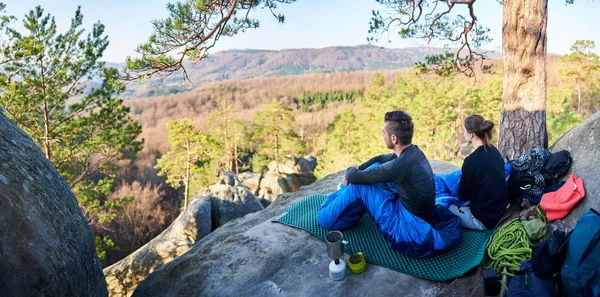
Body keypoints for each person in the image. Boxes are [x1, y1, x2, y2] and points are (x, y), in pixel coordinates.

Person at [317, 111, 461, 258]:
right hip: (415, 213)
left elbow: (353, 177)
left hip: (409, 230)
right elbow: (379, 159)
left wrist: (352, 171)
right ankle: (343, 193)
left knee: (357, 188)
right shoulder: (413, 152)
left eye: (383, 133)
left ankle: (332, 209)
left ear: (394, 138)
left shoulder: (400, 165)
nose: (382, 135)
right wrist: (359, 169)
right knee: (374, 169)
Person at [451, 114, 509, 230]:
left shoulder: (471, 161)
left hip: (485, 220)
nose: (463, 133)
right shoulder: (494, 151)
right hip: (501, 210)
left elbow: (462, 195)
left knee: (444, 205)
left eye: (464, 131)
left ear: (471, 134)